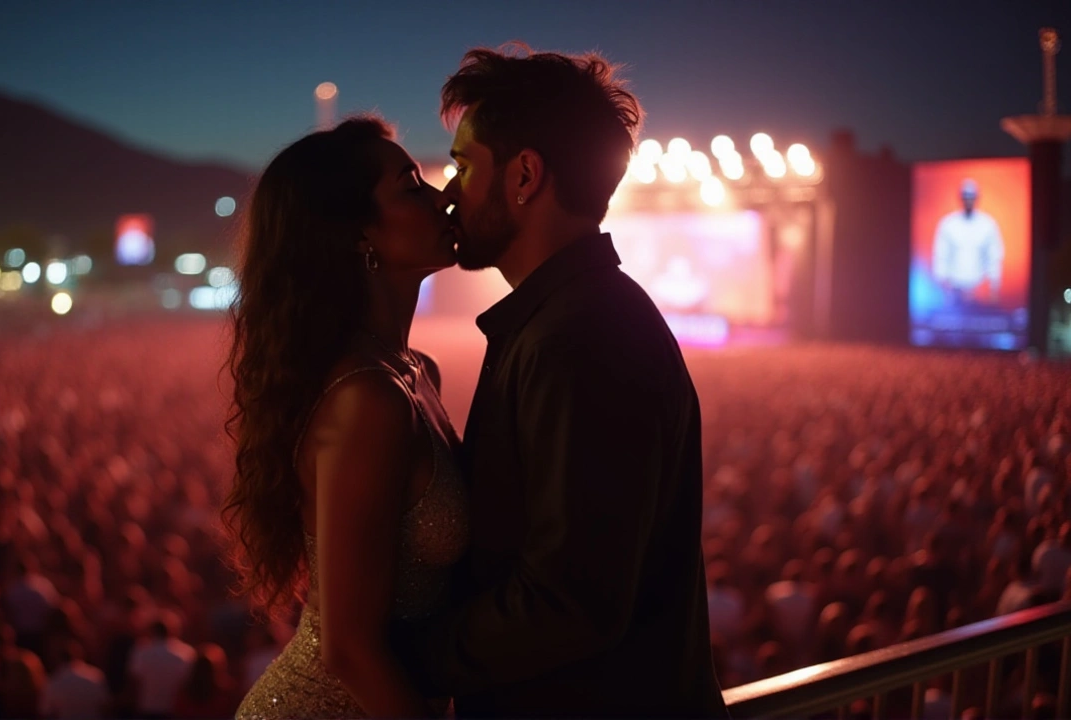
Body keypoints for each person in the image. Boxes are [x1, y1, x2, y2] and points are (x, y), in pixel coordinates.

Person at [395, 45, 728, 717]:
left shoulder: (578, 339)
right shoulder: (568, 320)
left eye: (463, 164)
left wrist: (410, 658)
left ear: (524, 176)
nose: (450, 192)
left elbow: (568, 601)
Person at [225, 116, 468, 718]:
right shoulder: (369, 398)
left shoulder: (416, 371)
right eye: (412, 188)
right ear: (359, 234)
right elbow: (351, 649)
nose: (444, 198)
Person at [931, 178, 1004, 305]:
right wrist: (943, 285)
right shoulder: (949, 224)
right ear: (961, 198)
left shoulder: (987, 224)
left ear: (977, 198)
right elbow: (941, 255)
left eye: (971, 197)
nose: (968, 200)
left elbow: (994, 256)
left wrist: (993, 286)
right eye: (965, 196)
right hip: (954, 290)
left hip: (979, 289)